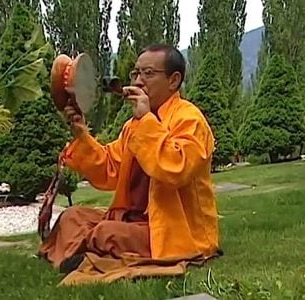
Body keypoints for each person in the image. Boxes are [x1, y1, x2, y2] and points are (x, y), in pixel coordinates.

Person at [38, 44, 220, 274]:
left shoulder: (189, 119)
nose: (138, 81)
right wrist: (81, 134)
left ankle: (80, 255)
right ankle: (84, 253)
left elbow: (176, 169)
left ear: (173, 81)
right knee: (72, 217)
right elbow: (109, 170)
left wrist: (145, 120)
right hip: (132, 223)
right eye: (136, 73)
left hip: (172, 230)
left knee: (106, 233)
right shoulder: (133, 126)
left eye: (148, 74)